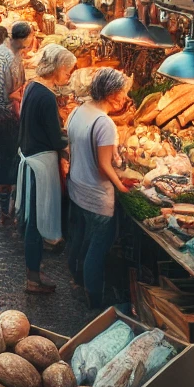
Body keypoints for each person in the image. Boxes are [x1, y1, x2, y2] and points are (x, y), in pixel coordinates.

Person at [67, 68, 130, 308]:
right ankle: (94, 299)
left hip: (77, 188)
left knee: (81, 238)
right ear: (112, 93)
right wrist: (121, 187)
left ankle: (77, 282)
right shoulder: (104, 123)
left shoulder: (78, 111)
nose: (124, 98)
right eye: (122, 93)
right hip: (97, 196)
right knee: (98, 248)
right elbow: (104, 167)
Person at [17, 44, 75, 294]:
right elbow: (54, 139)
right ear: (59, 68)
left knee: (32, 218)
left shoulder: (33, 87)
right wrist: (72, 139)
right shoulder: (47, 97)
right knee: (36, 222)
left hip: (31, 158)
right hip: (39, 164)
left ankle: (34, 270)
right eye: (68, 70)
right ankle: (33, 277)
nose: (69, 75)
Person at [0, 21, 33, 222]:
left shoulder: (10, 52)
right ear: (25, 38)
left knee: (8, 165)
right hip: (4, 120)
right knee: (6, 166)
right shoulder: (5, 57)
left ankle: (8, 209)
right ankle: (6, 212)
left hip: (7, 116)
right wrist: (14, 104)